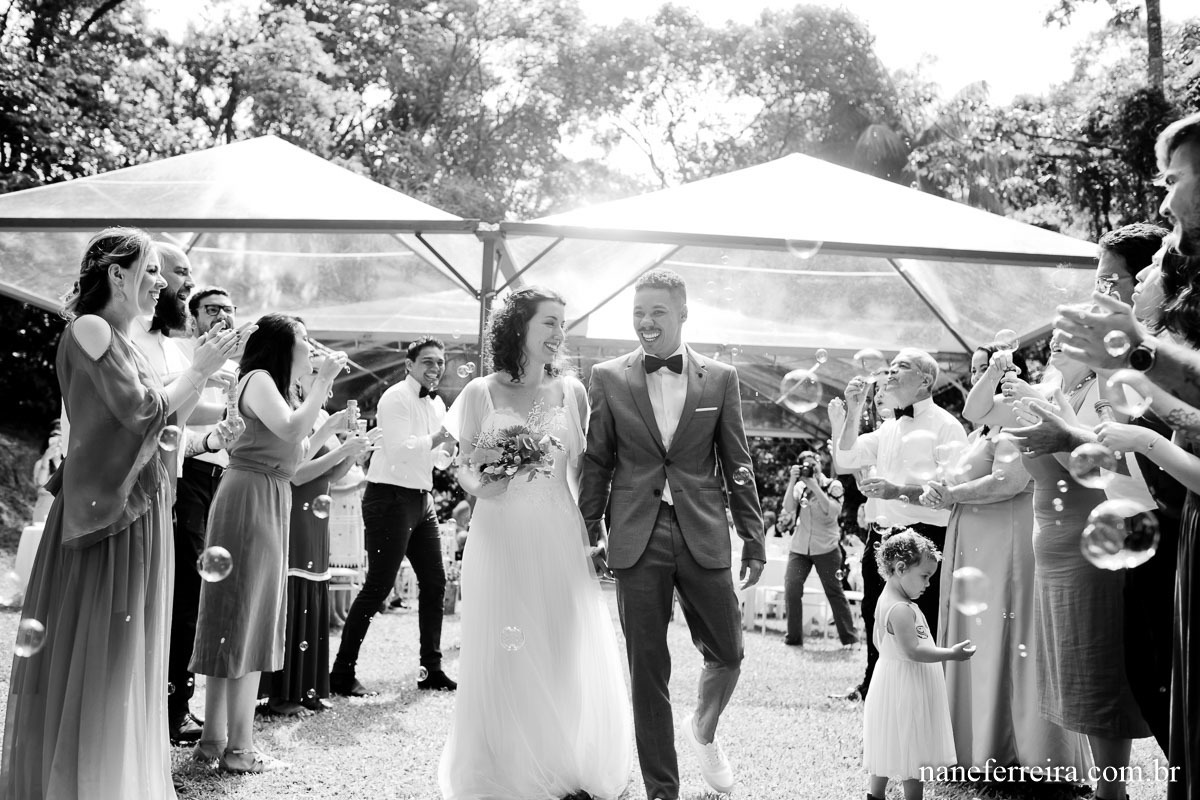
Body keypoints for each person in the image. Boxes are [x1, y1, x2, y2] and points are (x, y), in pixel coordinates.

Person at [0, 228, 238, 799]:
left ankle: (111, 780)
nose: (161, 283)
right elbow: (143, 412)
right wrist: (199, 369)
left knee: (127, 655)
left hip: (139, 507)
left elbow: (159, 427)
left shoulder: (123, 340)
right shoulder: (90, 328)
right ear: (117, 274)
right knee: (103, 652)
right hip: (107, 518)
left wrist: (204, 425)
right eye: (152, 269)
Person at [1050, 113, 1200, 799]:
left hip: (1172, 512)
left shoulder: (1163, 319)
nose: (1164, 203)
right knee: (1166, 688)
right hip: (1173, 514)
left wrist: (1134, 350)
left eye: (1174, 181)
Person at [439, 287, 631, 800]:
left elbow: (586, 471)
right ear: (518, 327)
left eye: (561, 325)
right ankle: (504, 766)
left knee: (558, 643)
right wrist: (484, 484)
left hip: (555, 532)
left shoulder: (572, 391)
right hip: (498, 532)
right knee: (502, 646)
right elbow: (464, 466)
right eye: (549, 322)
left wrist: (602, 527)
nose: (558, 334)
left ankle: (560, 762)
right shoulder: (481, 392)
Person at [580, 268, 765, 800]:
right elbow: (597, 458)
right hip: (636, 533)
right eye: (638, 312)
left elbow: (739, 462)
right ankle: (664, 790)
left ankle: (703, 731)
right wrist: (588, 528)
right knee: (648, 670)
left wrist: (752, 535)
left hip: (703, 529)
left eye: (657, 312)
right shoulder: (608, 376)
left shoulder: (721, 377)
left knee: (728, 651)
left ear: (683, 314)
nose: (645, 321)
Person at [968, 327, 1153, 800]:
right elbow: (976, 411)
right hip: (1049, 544)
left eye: (1065, 339)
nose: (1053, 341)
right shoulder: (1050, 390)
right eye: (1051, 338)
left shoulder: (1102, 393)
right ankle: (1101, 786)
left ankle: (1114, 792)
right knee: (1072, 666)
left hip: (1089, 538)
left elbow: (1094, 468)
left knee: (1096, 665)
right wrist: (995, 369)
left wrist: (1055, 411)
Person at [190, 313, 346, 773]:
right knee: (244, 616)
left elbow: (293, 461)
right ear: (282, 346)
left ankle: (214, 740)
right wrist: (323, 382)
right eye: (303, 338)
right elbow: (291, 433)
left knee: (238, 615)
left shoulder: (269, 389)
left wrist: (326, 425)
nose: (311, 347)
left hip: (266, 494)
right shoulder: (257, 378)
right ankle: (239, 749)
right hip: (250, 498)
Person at [924, 345, 1091, 773]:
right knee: (986, 632)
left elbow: (1009, 481)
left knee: (1014, 632)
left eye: (988, 368)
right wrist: (994, 369)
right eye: (976, 369)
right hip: (979, 539)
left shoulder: (1043, 399)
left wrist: (952, 494)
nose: (982, 374)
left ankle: (1028, 747)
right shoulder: (996, 419)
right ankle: (977, 743)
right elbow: (974, 409)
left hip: (1013, 535)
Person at [831, 348, 968, 701]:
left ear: (925, 380)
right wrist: (855, 406)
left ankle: (923, 696)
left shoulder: (947, 426)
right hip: (880, 539)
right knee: (874, 615)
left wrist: (896, 491)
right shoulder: (888, 427)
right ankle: (875, 689)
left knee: (918, 622)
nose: (889, 373)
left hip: (923, 540)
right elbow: (845, 458)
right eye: (889, 368)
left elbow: (949, 490)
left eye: (900, 367)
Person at [330, 336, 457, 697]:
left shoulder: (438, 403)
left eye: (440, 362)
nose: (435, 368)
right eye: (428, 362)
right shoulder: (394, 398)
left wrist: (450, 448)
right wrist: (438, 437)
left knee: (435, 583)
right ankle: (341, 673)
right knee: (378, 587)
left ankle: (430, 669)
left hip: (421, 499)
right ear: (409, 364)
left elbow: (437, 458)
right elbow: (399, 452)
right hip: (388, 498)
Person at [262, 373, 370, 716]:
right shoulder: (293, 416)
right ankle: (283, 694)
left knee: (313, 595)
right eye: (317, 375)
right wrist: (344, 449)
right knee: (295, 597)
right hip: (295, 515)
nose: (328, 383)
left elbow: (333, 477)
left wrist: (354, 451)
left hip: (317, 519)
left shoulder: (322, 417)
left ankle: (307, 687)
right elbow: (296, 473)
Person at [168, 282, 245, 746]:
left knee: (208, 595)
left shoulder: (238, 367)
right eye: (211, 309)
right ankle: (173, 709)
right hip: (188, 475)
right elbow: (178, 410)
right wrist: (231, 416)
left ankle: (187, 703)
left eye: (228, 309)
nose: (221, 316)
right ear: (193, 317)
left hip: (224, 479)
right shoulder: (181, 355)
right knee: (187, 592)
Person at [863, 529, 972, 800]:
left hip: (892, 681)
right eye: (924, 576)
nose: (927, 584)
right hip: (907, 685)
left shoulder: (891, 601)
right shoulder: (900, 609)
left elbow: (881, 645)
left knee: (888, 743)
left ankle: (875, 795)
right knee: (915, 749)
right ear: (901, 568)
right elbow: (913, 651)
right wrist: (951, 653)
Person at [781, 454, 857, 647]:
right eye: (805, 465)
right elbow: (788, 507)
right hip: (800, 548)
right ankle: (793, 637)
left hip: (827, 548)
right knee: (792, 588)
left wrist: (814, 485)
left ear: (820, 464)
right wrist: (792, 480)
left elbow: (833, 511)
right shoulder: (799, 487)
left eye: (813, 465)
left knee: (834, 592)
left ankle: (849, 638)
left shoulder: (834, 486)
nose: (810, 468)